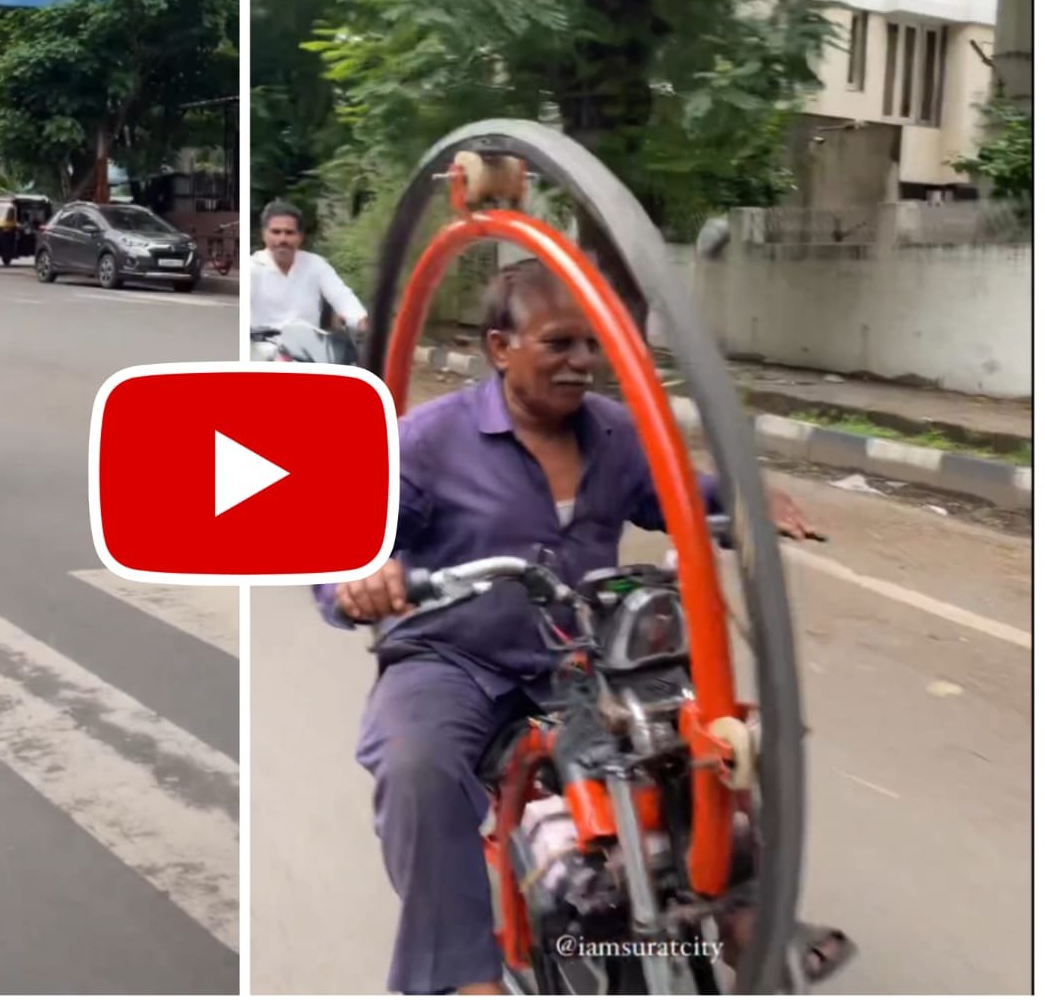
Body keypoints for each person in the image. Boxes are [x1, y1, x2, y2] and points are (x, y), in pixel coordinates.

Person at [317, 259, 854, 995]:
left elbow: (677, 496)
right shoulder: (429, 440)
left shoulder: (614, 432)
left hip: (579, 661)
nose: (581, 363)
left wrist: (748, 502)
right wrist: (357, 584)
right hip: (454, 659)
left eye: (591, 346)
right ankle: (464, 973)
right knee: (415, 764)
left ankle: (742, 911)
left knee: (699, 734)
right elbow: (338, 538)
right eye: (559, 344)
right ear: (500, 347)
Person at [250, 200, 367, 332]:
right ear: (264, 235)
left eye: (289, 233)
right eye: (276, 232)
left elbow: (342, 297)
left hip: (309, 347)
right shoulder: (252, 268)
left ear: (300, 237)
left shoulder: (315, 265)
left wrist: (360, 321)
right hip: (262, 347)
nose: (282, 239)